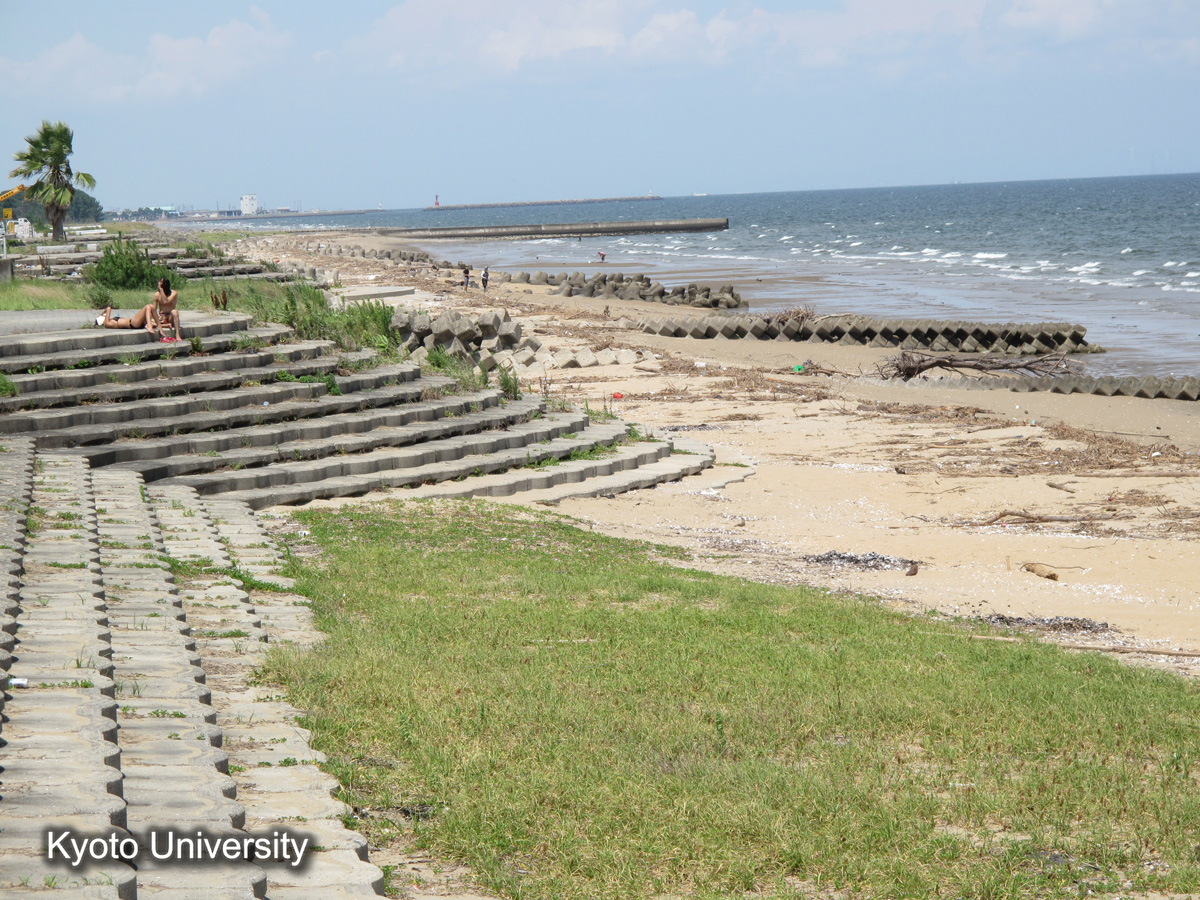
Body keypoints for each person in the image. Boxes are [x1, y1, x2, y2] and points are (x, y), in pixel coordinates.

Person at [153, 277, 182, 342]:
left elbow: (166, 301)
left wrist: (161, 289)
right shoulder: (157, 295)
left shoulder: (174, 293)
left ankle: (178, 335)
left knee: (175, 311)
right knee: (147, 323)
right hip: (162, 317)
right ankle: (166, 325)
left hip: (170, 316)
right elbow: (154, 309)